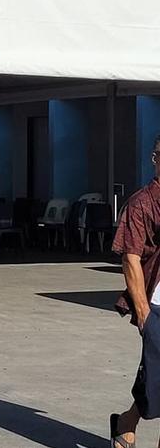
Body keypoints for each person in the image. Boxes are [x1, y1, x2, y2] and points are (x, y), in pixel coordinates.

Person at [109, 137, 160, 448]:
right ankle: (126, 423)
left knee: (154, 374)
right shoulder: (142, 203)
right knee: (156, 372)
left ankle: (126, 421)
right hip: (156, 304)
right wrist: (143, 313)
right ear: (156, 158)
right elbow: (130, 257)